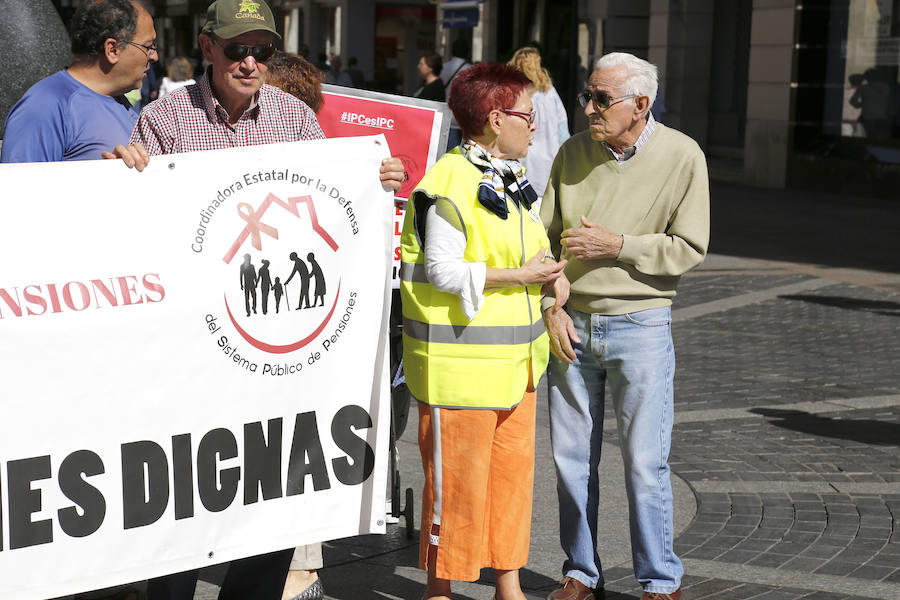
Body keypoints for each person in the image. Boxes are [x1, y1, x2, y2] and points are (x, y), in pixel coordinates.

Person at [107, 2, 404, 599]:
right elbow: (137, 228)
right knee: (186, 494)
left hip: (270, 335)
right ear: (208, 47)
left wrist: (373, 181)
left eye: (262, 51)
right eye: (238, 49)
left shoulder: (294, 115)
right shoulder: (164, 118)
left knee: (270, 489)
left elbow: (329, 202)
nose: (250, 62)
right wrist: (122, 171)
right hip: (194, 340)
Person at [540, 52, 709, 600]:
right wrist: (550, 305)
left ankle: (660, 582)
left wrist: (619, 246)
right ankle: (580, 573)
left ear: (642, 105)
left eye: (601, 99)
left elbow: (689, 248)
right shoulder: (571, 152)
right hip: (572, 325)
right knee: (570, 463)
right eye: (586, 94)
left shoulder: (683, 155)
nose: (588, 107)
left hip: (642, 324)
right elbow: (541, 243)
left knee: (644, 464)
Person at [399, 62, 567, 600]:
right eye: (527, 115)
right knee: (457, 489)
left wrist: (550, 284)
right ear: (496, 119)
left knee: (511, 484)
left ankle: (508, 585)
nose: (534, 126)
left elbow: (527, 248)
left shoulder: (508, 177)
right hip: (460, 370)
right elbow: (444, 271)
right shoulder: (448, 181)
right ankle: (439, 590)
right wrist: (525, 276)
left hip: (515, 367)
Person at [0, 0, 157, 163]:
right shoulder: (45, 106)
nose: (154, 56)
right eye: (148, 47)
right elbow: (19, 186)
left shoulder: (119, 101)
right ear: (112, 49)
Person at [507, 46, 569, 199]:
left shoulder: (514, 94)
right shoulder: (550, 92)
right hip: (548, 162)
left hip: (521, 160)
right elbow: (563, 131)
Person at [440, 38, 473, 150]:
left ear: (452, 50)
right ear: (467, 52)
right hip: (460, 118)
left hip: (444, 113)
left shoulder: (443, 67)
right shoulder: (470, 70)